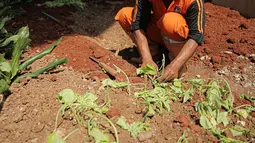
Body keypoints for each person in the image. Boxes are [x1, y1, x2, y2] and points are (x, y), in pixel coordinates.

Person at [115, 0, 205, 82]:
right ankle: (153, 54)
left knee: (170, 21)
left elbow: (196, 36)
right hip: (158, 28)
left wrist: (175, 65)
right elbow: (138, 24)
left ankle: (178, 64)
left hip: (177, 35)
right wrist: (146, 57)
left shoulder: (192, 1)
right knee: (125, 15)